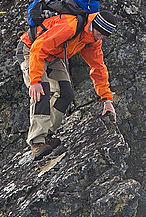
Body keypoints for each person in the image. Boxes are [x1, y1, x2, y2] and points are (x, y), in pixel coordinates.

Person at [16, 10, 118, 160]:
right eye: (101, 33)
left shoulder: (92, 41)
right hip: (30, 50)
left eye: (105, 35)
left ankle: (48, 134)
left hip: (53, 55)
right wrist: (35, 80)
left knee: (66, 93)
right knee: (41, 90)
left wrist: (107, 100)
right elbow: (39, 47)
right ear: (94, 25)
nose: (101, 37)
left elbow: (98, 69)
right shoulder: (70, 26)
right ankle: (36, 142)